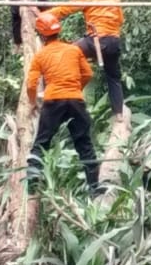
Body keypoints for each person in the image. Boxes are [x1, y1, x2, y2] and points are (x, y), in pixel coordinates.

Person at [25, 12, 100, 195]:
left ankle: (32, 186)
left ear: (41, 35)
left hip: (53, 101)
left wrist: (33, 102)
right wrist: (75, 89)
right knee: (84, 143)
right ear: (58, 31)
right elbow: (88, 74)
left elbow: (31, 84)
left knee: (42, 142)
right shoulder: (74, 50)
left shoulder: (40, 56)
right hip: (75, 100)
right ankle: (94, 188)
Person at [44, 0, 126, 118]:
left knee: (65, 55)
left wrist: (45, 15)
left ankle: (59, 93)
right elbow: (120, 20)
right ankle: (119, 114)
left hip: (95, 40)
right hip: (113, 42)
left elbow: (65, 9)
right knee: (113, 78)